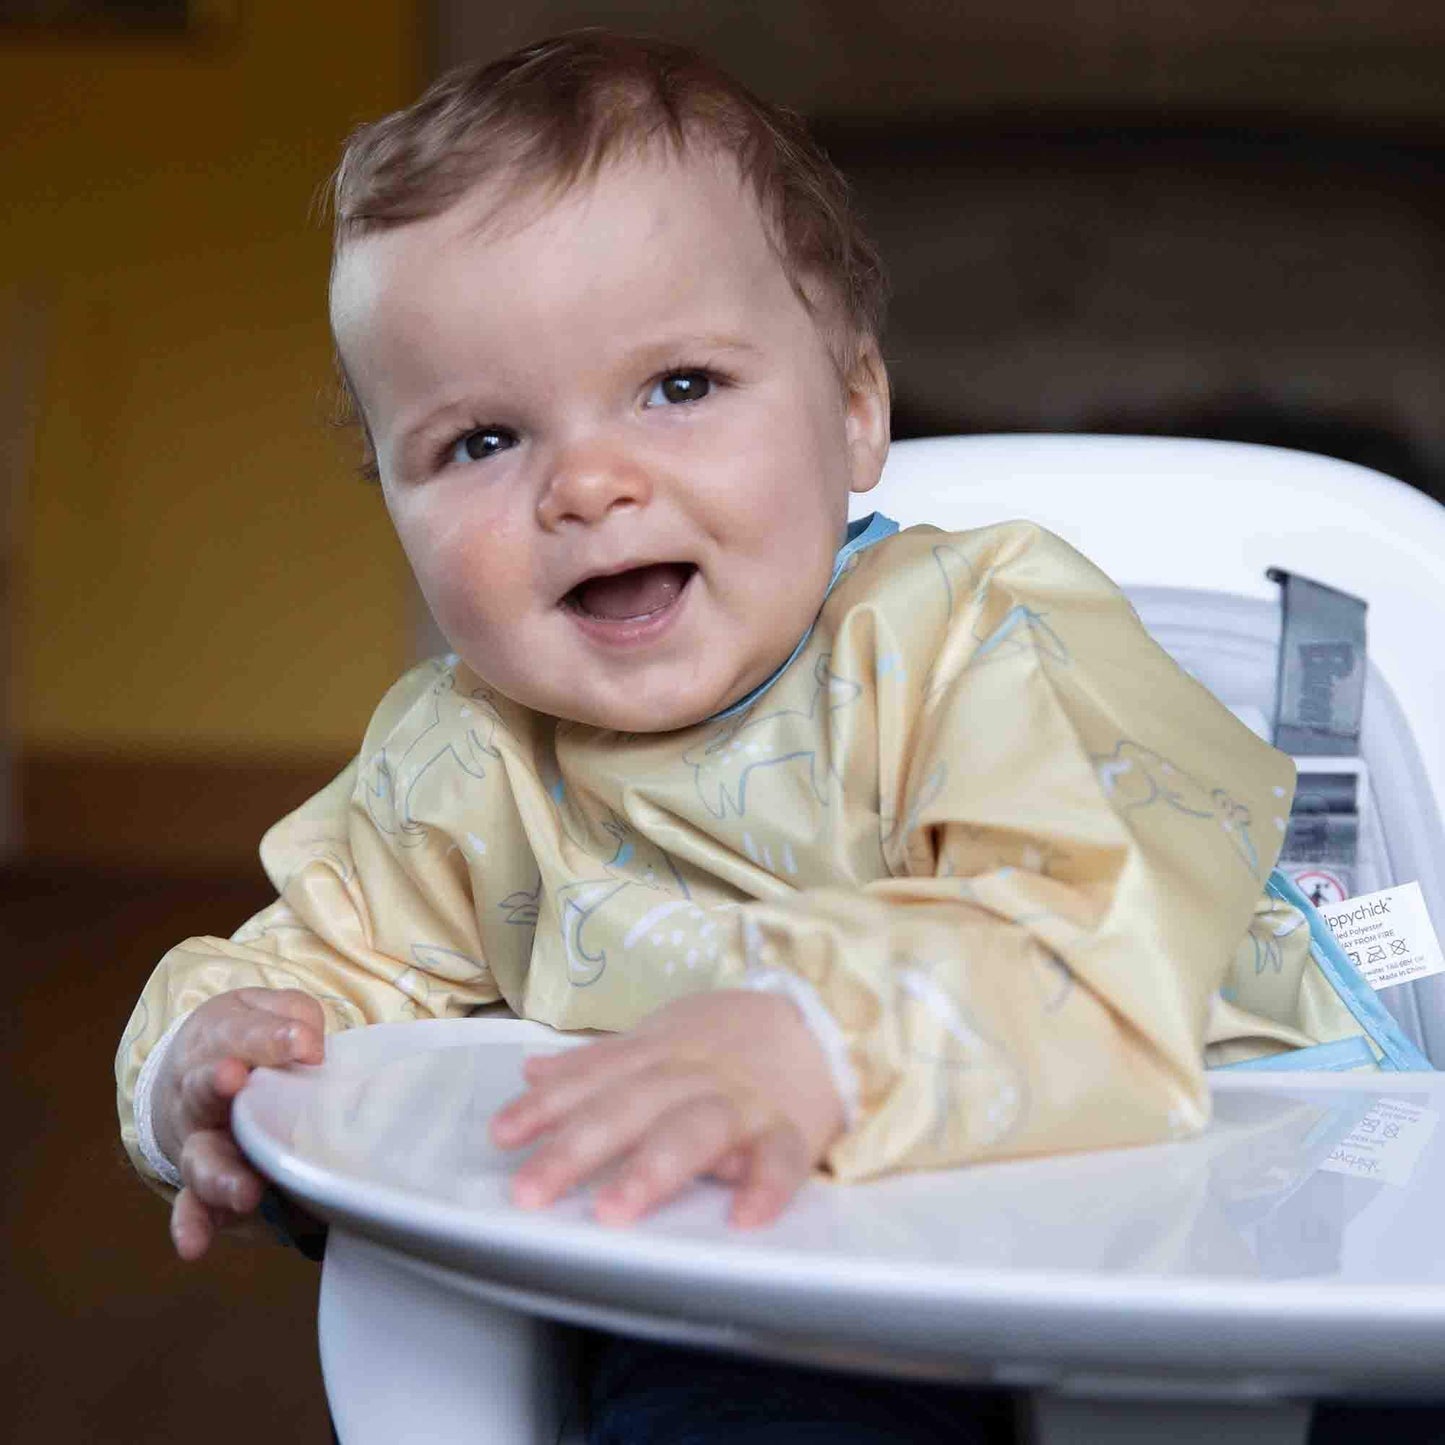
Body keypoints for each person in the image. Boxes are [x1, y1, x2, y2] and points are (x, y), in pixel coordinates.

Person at [115, 29, 1404, 1444]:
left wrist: (814, 1041)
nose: (589, 484)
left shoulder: (984, 632)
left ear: (854, 413)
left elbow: (1100, 921)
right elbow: (310, 961)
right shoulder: (461, 762)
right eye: (482, 441)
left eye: (677, 386)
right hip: (765, 1275)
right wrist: (204, 1058)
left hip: (1238, 1240)